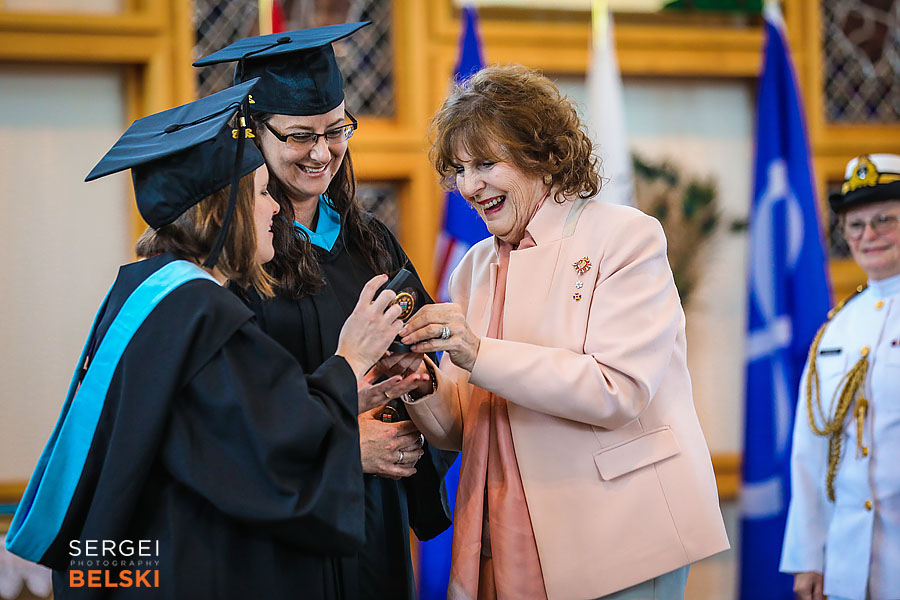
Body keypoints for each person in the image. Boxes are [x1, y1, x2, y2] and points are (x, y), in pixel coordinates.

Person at [4, 81, 405, 599]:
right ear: (225, 212)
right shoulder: (201, 315)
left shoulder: (148, 292)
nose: (276, 210)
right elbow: (268, 457)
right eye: (262, 193)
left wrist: (344, 395)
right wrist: (350, 359)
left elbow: (229, 430)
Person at [393, 65, 730, 600]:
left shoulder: (627, 237)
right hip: (503, 533)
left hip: (621, 535)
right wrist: (418, 379)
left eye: (486, 163)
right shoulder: (472, 268)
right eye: (460, 169)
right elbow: (461, 428)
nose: (470, 186)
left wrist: (478, 353)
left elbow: (618, 389)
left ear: (542, 155)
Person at [194, 23, 455, 599]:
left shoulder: (371, 243)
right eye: (299, 136)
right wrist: (340, 450)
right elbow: (221, 419)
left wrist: (416, 378)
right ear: (252, 132)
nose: (321, 153)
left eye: (336, 131)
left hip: (375, 520)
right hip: (286, 533)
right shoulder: (235, 259)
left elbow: (426, 370)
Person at [781, 154, 900, 600]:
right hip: (848, 558)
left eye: (884, 220)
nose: (868, 235)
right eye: (855, 225)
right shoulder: (835, 328)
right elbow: (810, 449)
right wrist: (808, 556)